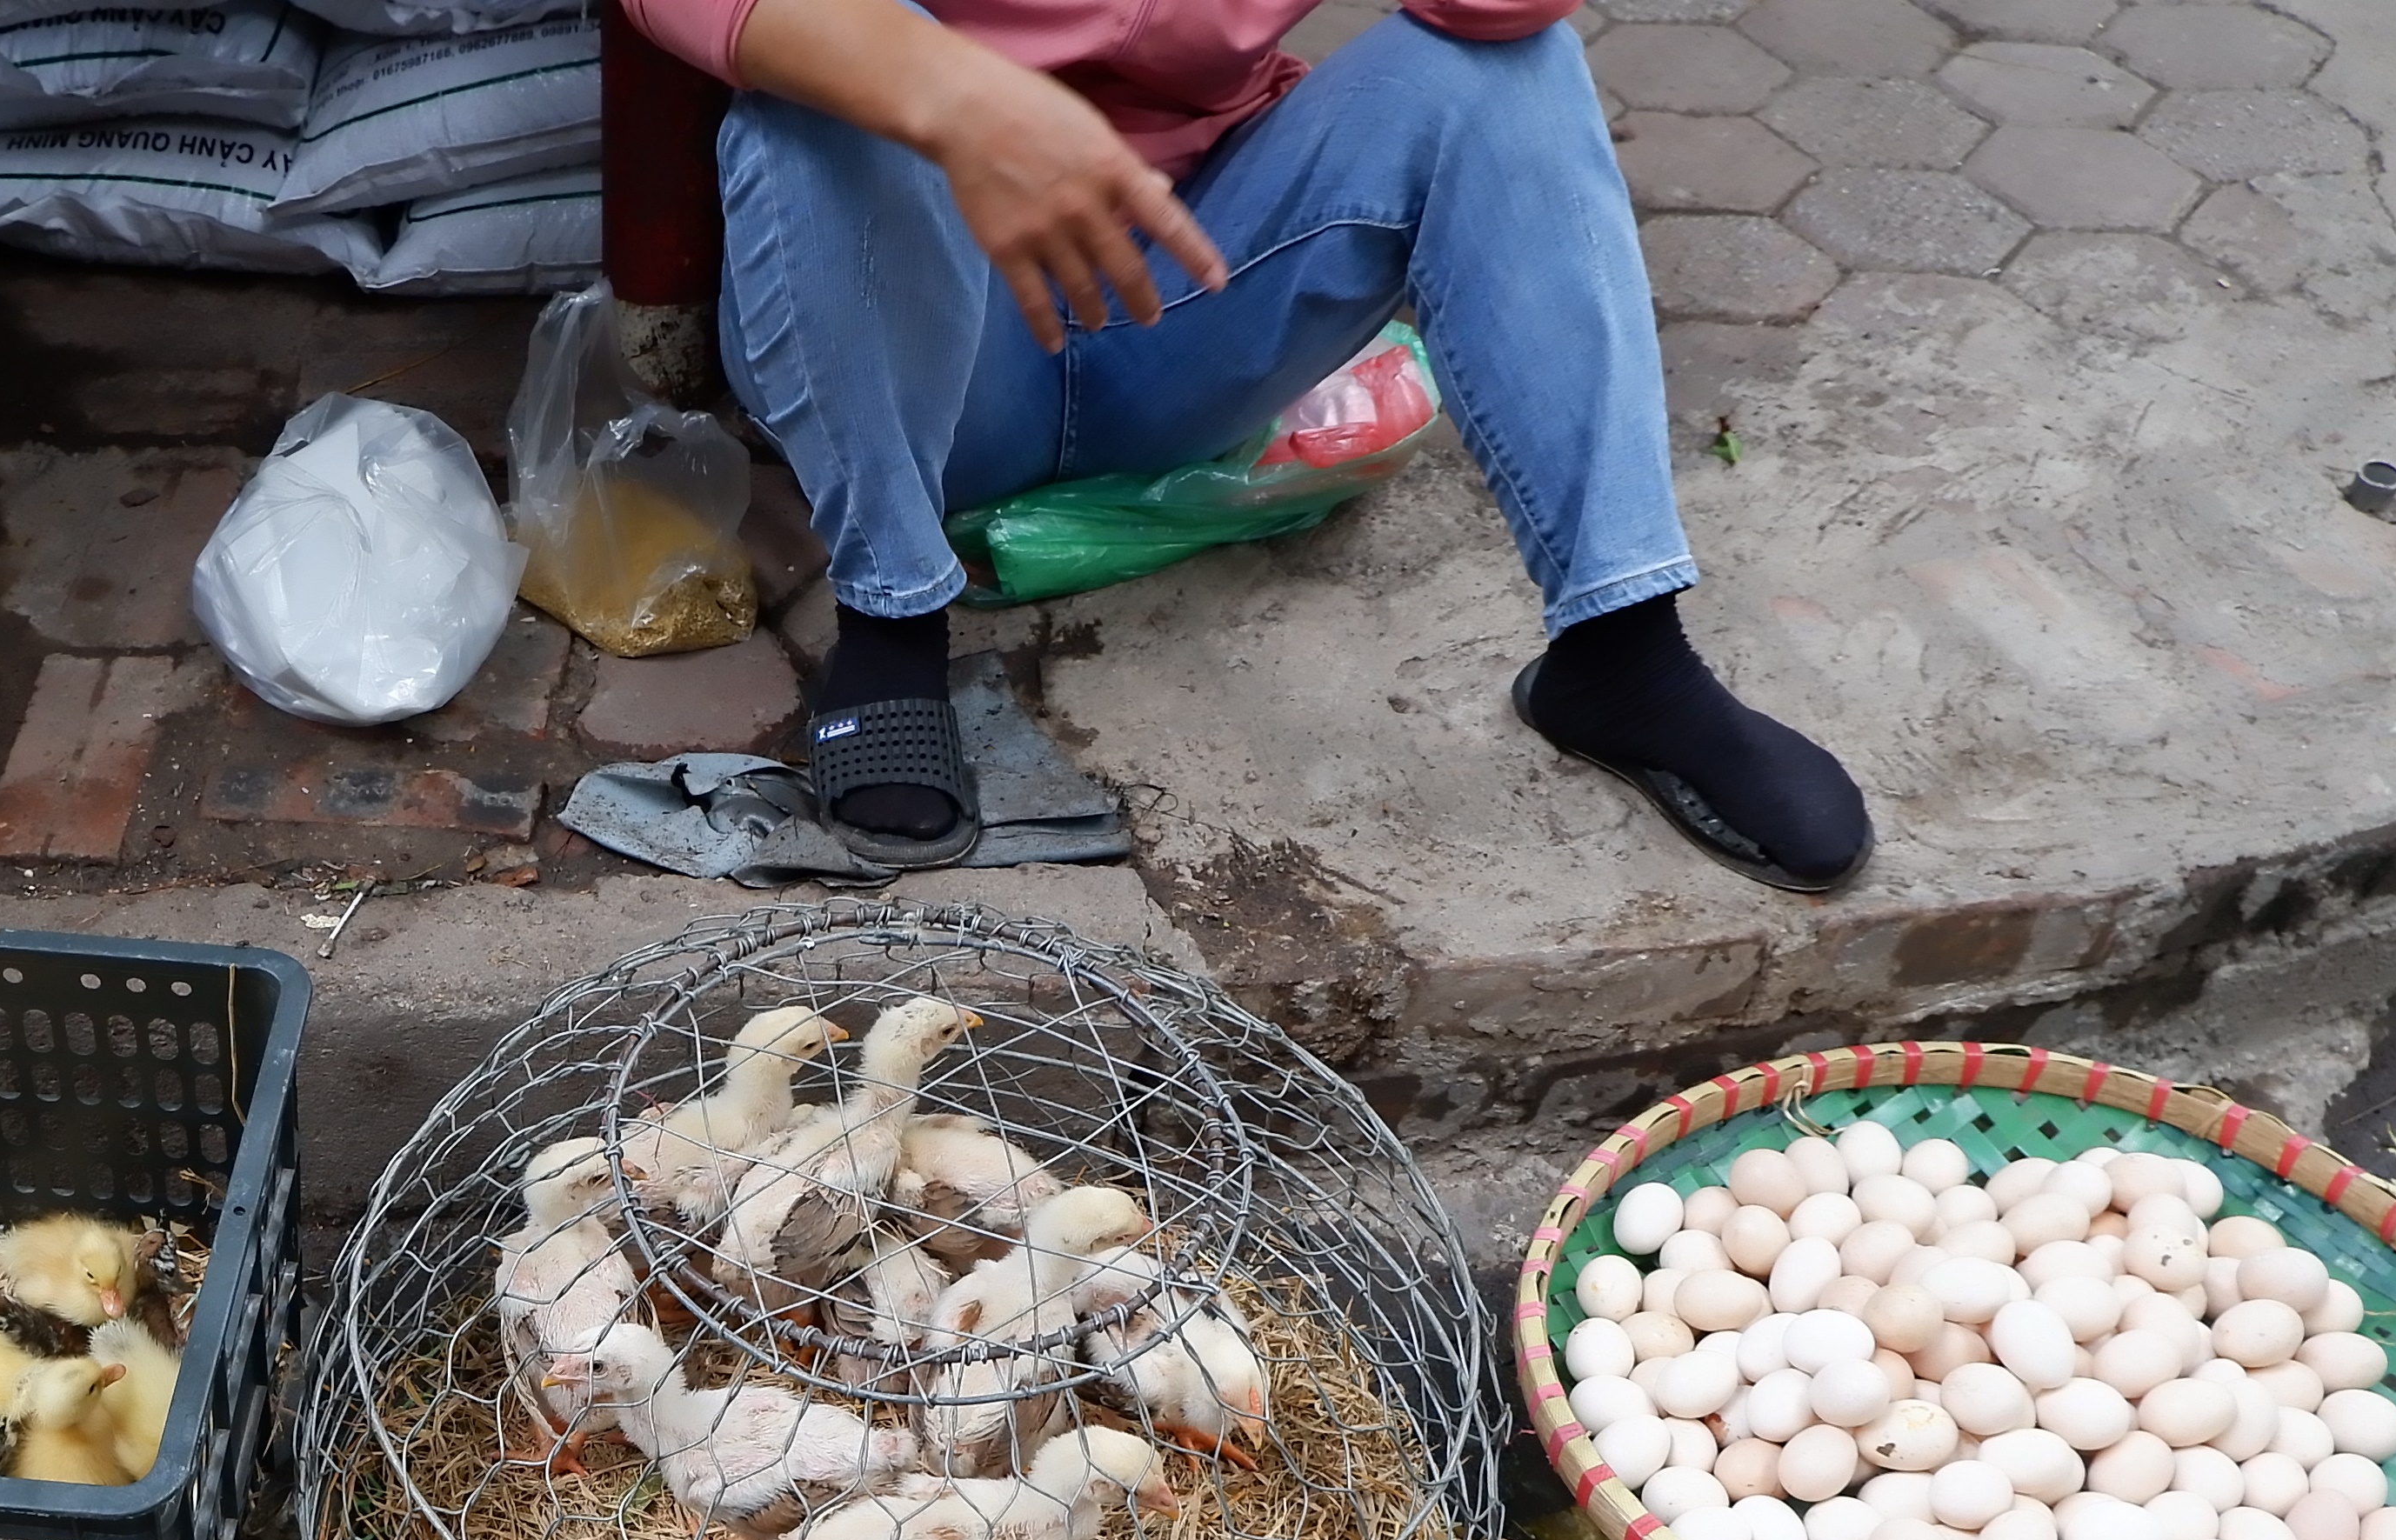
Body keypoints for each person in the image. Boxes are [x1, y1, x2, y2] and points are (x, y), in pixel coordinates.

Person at [612, 0, 1876, 891]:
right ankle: (890, 623)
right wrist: (962, 102)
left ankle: (1622, 652)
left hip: (1180, 295)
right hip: (929, 344)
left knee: (1508, 75)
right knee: (819, 110)